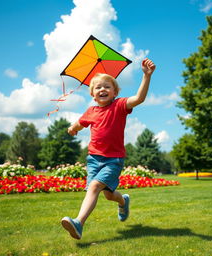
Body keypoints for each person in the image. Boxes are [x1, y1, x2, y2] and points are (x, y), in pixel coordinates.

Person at [61, 58, 156, 240]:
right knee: (108, 195)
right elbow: (80, 123)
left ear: (115, 92)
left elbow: (139, 98)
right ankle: (123, 200)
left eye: (107, 87)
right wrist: (72, 128)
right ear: (92, 94)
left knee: (94, 187)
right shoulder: (91, 111)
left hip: (113, 159)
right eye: (98, 87)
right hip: (94, 159)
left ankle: (79, 223)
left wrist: (146, 75)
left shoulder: (119, 106)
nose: (102, 89)